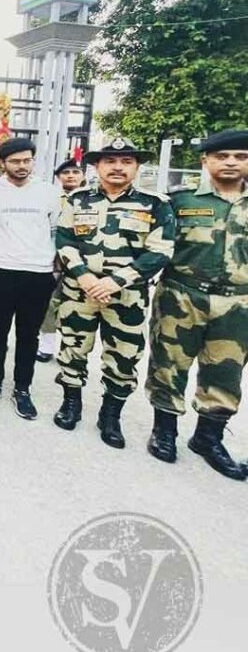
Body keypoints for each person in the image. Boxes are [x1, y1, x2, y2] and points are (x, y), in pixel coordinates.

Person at [53, 137, 176, 448]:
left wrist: (115, 281)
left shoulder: (155, 204)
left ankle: (110, 416)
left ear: (136, 166)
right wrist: (84, 277)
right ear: (97, 165)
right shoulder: (77, 199)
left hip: (127, 296)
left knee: (123, 357)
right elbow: (64, 240)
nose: (118, 167)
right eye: (110, 161)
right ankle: (71, 404)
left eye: (126, 161)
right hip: (80, 291)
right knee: (72, 348)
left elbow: (160, 250)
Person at [145, 129, 248, 479]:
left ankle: (208, 438)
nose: (231, 162)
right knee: (168, 364)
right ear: (206, 161)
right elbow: (155, 245)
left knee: (226, 372)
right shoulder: (180, 200)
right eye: (222, 156)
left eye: (240, 156)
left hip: (238, 303)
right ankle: (165, 431)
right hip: (181, 295)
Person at [0, 137, 59, 420]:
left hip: (38, 272)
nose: (22, 166)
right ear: (2, 163)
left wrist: (55, 264)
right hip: (1, 269)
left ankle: (22, 388)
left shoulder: (48, 192)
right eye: (15, 161)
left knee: (28, 335)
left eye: (27, 160)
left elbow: (57, 230)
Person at [36, 157, 86, 362]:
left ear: (83, 176)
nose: (71, 176)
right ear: (58, 177)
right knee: (49, 303)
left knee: (77, 306)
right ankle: (46, 346)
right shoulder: (51, 198)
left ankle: (71, 350)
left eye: (75, 172)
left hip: (83, 262)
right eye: (66, 173)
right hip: (54, 258)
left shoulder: (90, 199)